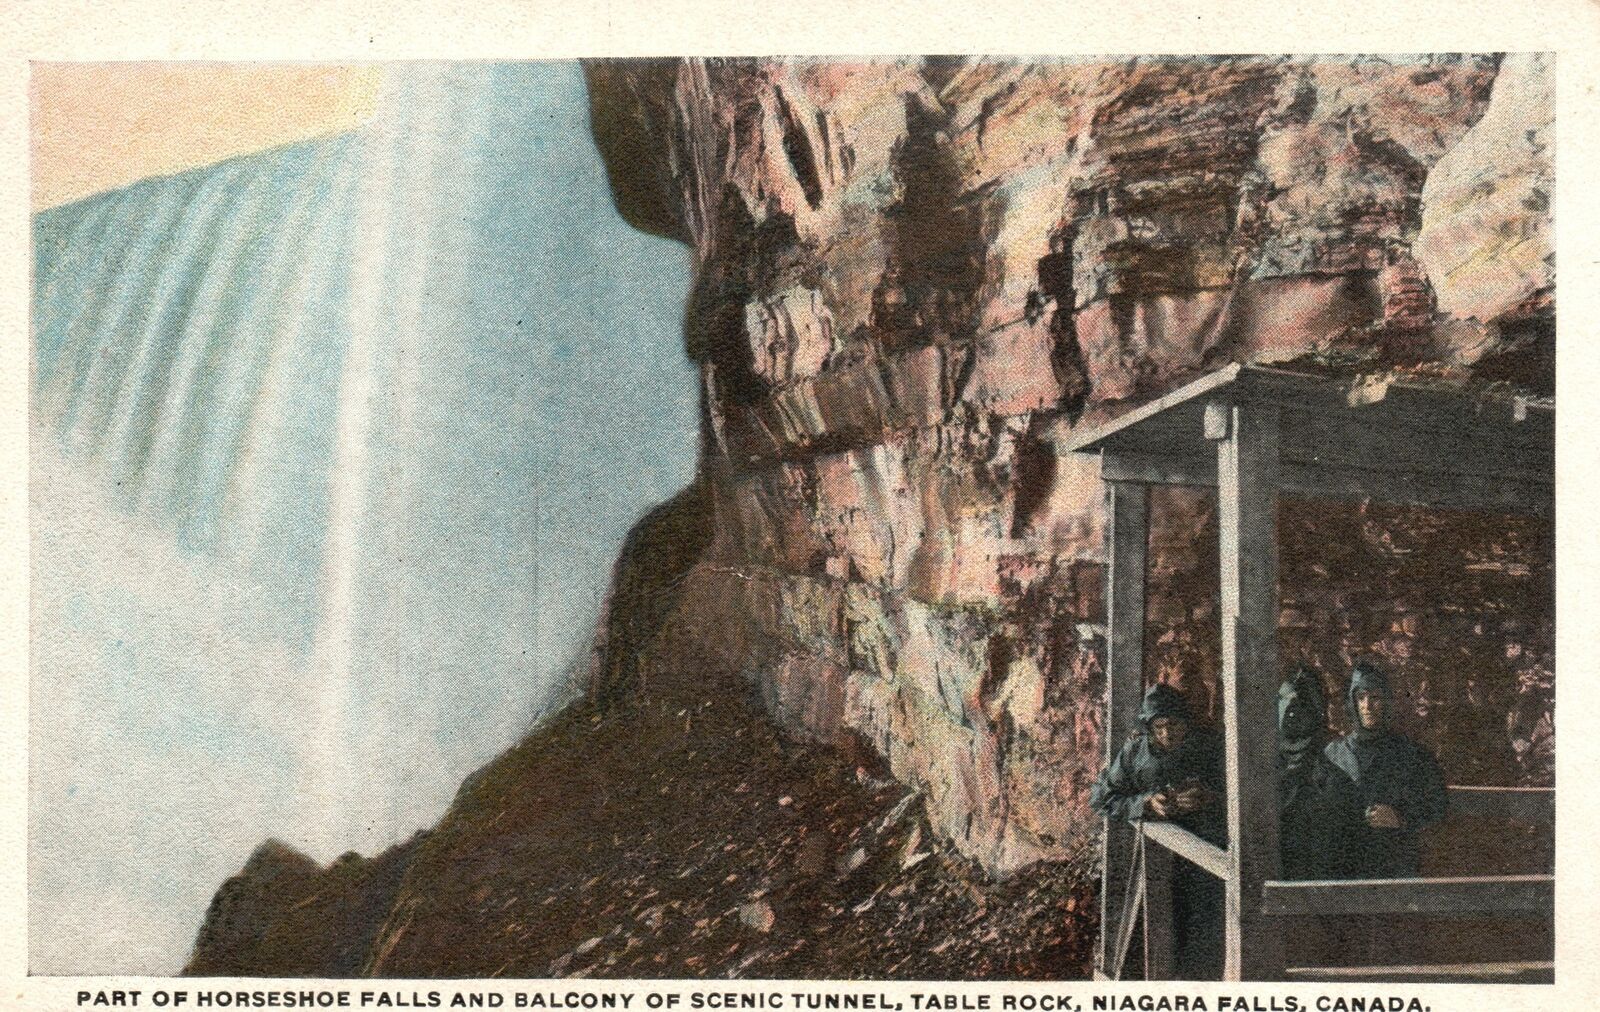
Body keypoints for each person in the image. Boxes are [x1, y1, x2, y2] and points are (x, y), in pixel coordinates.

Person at [1091, 682, 1224, 979]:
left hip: (1203, 858)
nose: (1167, 734)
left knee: (1200, 939)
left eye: (1174, 725)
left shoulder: (1208, 746)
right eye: (1159, 727)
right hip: (1150, 865)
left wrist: (1208, 797)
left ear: (1186, 723)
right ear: (1149, 727)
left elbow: (1241, 795)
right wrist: (1147, 804)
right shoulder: (1135, 752)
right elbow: (1103, 798)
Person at [1322, 662, 1449, 879]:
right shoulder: (1333, 753)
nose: (1367, 706)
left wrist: (1400, 818)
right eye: (1360, 698)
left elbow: (1437, 806)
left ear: (1387, 702)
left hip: (1393, 864)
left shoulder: (1411, 754)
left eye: (1375, 698)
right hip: (1342, 866)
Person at [1277, 666, 1344, 880]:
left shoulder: (1335, 752)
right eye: (1286, 699)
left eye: (1303, 701)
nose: (1292, 708)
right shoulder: (1262, 753)